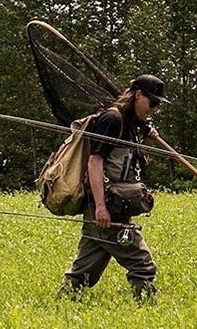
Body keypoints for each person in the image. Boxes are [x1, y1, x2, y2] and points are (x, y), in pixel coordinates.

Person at [62, 74, 168, 301]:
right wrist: (100, 207)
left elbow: (126, 166)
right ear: (138, 95)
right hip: (107, 207)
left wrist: (145, 143)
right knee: (142, 264)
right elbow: (95, 162)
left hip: (117, 207)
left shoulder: (130, 124)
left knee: (85, 272)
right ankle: (149, 313)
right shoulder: (112, 120)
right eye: (153, 103)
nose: (155, 109)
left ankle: (61, 305)